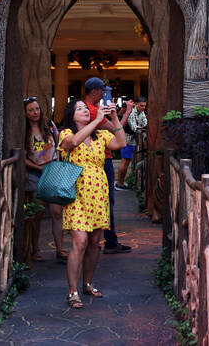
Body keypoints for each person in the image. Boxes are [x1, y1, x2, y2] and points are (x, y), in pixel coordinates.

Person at [58, 97, 128, 309]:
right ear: (72, 116)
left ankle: (87, 282)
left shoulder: (101, 136)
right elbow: (74, 143)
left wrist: (114, 119)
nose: (85, 111)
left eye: (86, 109)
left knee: (93, 244)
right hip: (76, 193)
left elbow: (121, 143)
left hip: (98, 193)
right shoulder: (67, 134)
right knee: (79, 242)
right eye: (80, 109)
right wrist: (96, 120)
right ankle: (72, 290)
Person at [82, 77, 133, 254]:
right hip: (102, 159)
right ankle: (107, 241)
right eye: (103, 91)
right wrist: (123, 114)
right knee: (106, 200)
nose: (105, 94)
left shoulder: (87, 109)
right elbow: (117, 131)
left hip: (96, 158)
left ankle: (96, 240)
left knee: (97, 200)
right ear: (95, 91)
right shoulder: (93, 110)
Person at [23, 96, 65, 263]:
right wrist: (40, 168)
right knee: (37, 215)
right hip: (35, 174)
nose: (35, 112)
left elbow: (58, 145)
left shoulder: (49, 126)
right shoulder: (24, 131)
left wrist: (57, 162)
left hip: (53, 171)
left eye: (37, 109)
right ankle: (36, 250)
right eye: (31, 110)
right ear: (25, 113)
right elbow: (23, 158)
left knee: (57, 212)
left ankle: (60, 250)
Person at [115, 98, 147, 190]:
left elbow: (145, 123)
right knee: (124, 161)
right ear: (136, 104)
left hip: (132, 139)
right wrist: (142, 127)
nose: (143, 107)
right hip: (127, 138)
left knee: (126, 161)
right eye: (141, 105)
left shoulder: (141, 112)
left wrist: (142, 127)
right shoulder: (132, 113)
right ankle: (119, 183)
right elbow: (134, 128)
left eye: (145, 106)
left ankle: (120, 183)